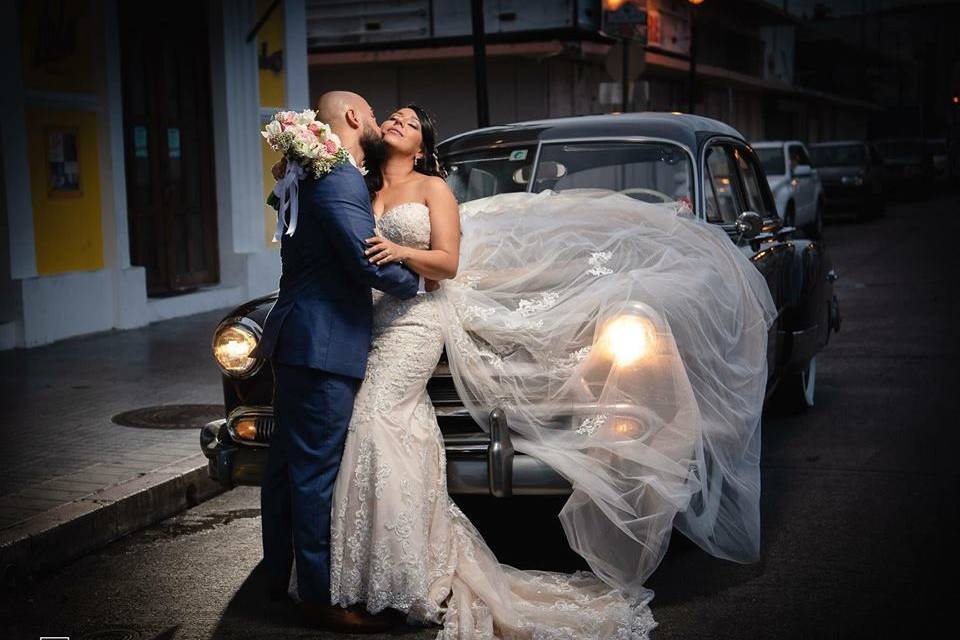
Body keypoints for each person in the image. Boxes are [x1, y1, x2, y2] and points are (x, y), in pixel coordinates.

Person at [285, 104, 662, 638]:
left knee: (373, 422)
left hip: (416, 320)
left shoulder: (433, 188)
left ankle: (392, 574)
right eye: (391, 116)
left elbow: (447, 263)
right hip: (366, 321)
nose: (396, 122)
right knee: (386, 431)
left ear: (420, 147)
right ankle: (373, 570)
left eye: (410, 123)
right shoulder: (357, 187)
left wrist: (397, 249)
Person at [251, 91, 423, 633]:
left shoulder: (304, 174)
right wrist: (416, 282)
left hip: (297, 335)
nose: (377, 121)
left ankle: (275, 578)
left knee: (283, 469)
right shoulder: (339, 177)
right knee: (314, 474)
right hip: (323, 344)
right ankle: (320, 599)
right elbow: (362, 257)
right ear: (353, 118)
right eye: (373, 114)